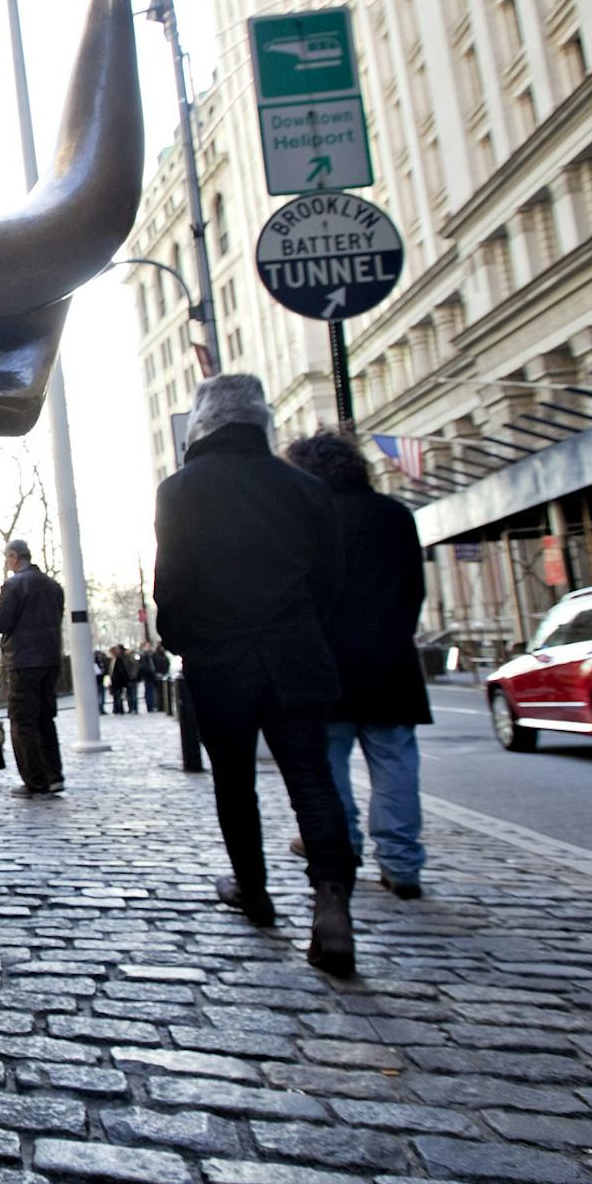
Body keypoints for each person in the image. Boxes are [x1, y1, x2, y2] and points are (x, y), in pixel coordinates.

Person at [153, 374, 357, 976]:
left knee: (234, 783)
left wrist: (187, 643)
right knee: (313, 783)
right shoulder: (305, 488)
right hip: (295, 655)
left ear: (202, 424)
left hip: (221, 662)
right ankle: (332, 904)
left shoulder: (180, 491)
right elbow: (330, 584)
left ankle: (254, 890)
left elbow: (173, 588)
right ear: (261, 421)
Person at [286, 430, 431, 900]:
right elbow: (414, 589)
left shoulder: (307, 518)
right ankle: (402, 864)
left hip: (327, 663)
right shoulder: (394, 515)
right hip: (390, 661)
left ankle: (339, 848)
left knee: (328, 768)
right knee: (395, 766)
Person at [0, 539, 66, 795]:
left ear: (13, 556)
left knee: (23, 722)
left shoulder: (13, 585)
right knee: (46, 718)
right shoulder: (54, 586)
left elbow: (2, 623)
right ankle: (54, 775)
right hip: (50, 659)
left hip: (23, 661)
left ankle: (35, 780)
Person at [145, 643, 171, 713]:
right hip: (156, 675)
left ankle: (160, 706)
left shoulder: (161, 655)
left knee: (159, 692)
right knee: (156, 692)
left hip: (161, 675)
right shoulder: (155, 655)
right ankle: (158, 706)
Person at [92, 647, 110, 713]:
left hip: (102, 680)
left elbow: (106, 671)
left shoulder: (103, 661)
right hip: (98, 681)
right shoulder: (95, 663)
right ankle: (99, 708)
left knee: (101, 695)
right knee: (99, 696)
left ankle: (101, 708)